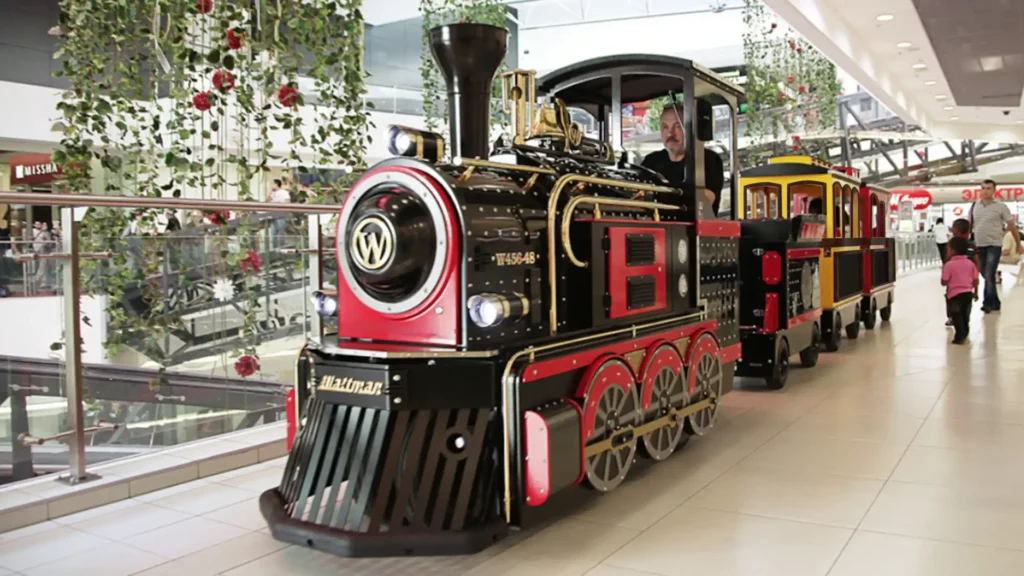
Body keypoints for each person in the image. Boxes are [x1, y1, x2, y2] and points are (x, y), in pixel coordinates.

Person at [641, 103, 723, 218]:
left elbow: (706, 200)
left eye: (678, 126)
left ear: (692, 129)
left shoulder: (708, 158)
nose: (670, 133)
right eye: (665, 127)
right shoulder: (651, 160)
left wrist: (663, 188)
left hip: (696, 231)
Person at [969, 179, 1022, 313]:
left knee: (989, 272)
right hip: (979, 244)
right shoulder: (975, 205)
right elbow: (970, 224)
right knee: (985, 273)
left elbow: (1011, 225)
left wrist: (1018, 243)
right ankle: (995, 301)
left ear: (994, 190)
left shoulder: (1001, 206)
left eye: (988, 188)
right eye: (983, 188)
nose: (985, 191)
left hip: (994, 244)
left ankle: (987, 302)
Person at [941, 236, 978, 345]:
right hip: (967, 294)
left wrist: (946, 281)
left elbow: (944, 281)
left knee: (956, 315)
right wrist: (975, 291)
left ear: (952, 250)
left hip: (954, 295)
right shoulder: (970, 264)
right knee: (965, 314)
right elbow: (975, 279)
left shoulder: (949, 265)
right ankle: (965, 332)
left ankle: (959, 336)